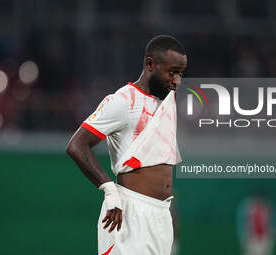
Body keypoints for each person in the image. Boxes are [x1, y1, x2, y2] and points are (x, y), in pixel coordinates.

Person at [66, 35, 187, 255]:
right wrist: (108, 188)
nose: (177, 80)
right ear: (150, 64)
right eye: (172, 72)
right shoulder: (123, 100)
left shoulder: (169, 99)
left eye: (180, 74)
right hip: (130, 213)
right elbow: (76, 145)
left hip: (161, 216)